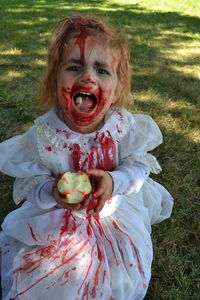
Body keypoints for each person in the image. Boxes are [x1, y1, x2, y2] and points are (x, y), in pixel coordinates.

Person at [0, 15, 173, 300]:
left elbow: (140, 165)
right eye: (74, 67)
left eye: (102, 70)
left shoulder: (122, 128)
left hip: (112, 214)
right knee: (41, 272)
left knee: (120, 273)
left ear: (117, 89)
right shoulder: (45, 135)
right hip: (57, 218)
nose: (88, 77)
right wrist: (50, 191)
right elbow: (31, 181)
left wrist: (114, 180)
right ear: (55, 80)